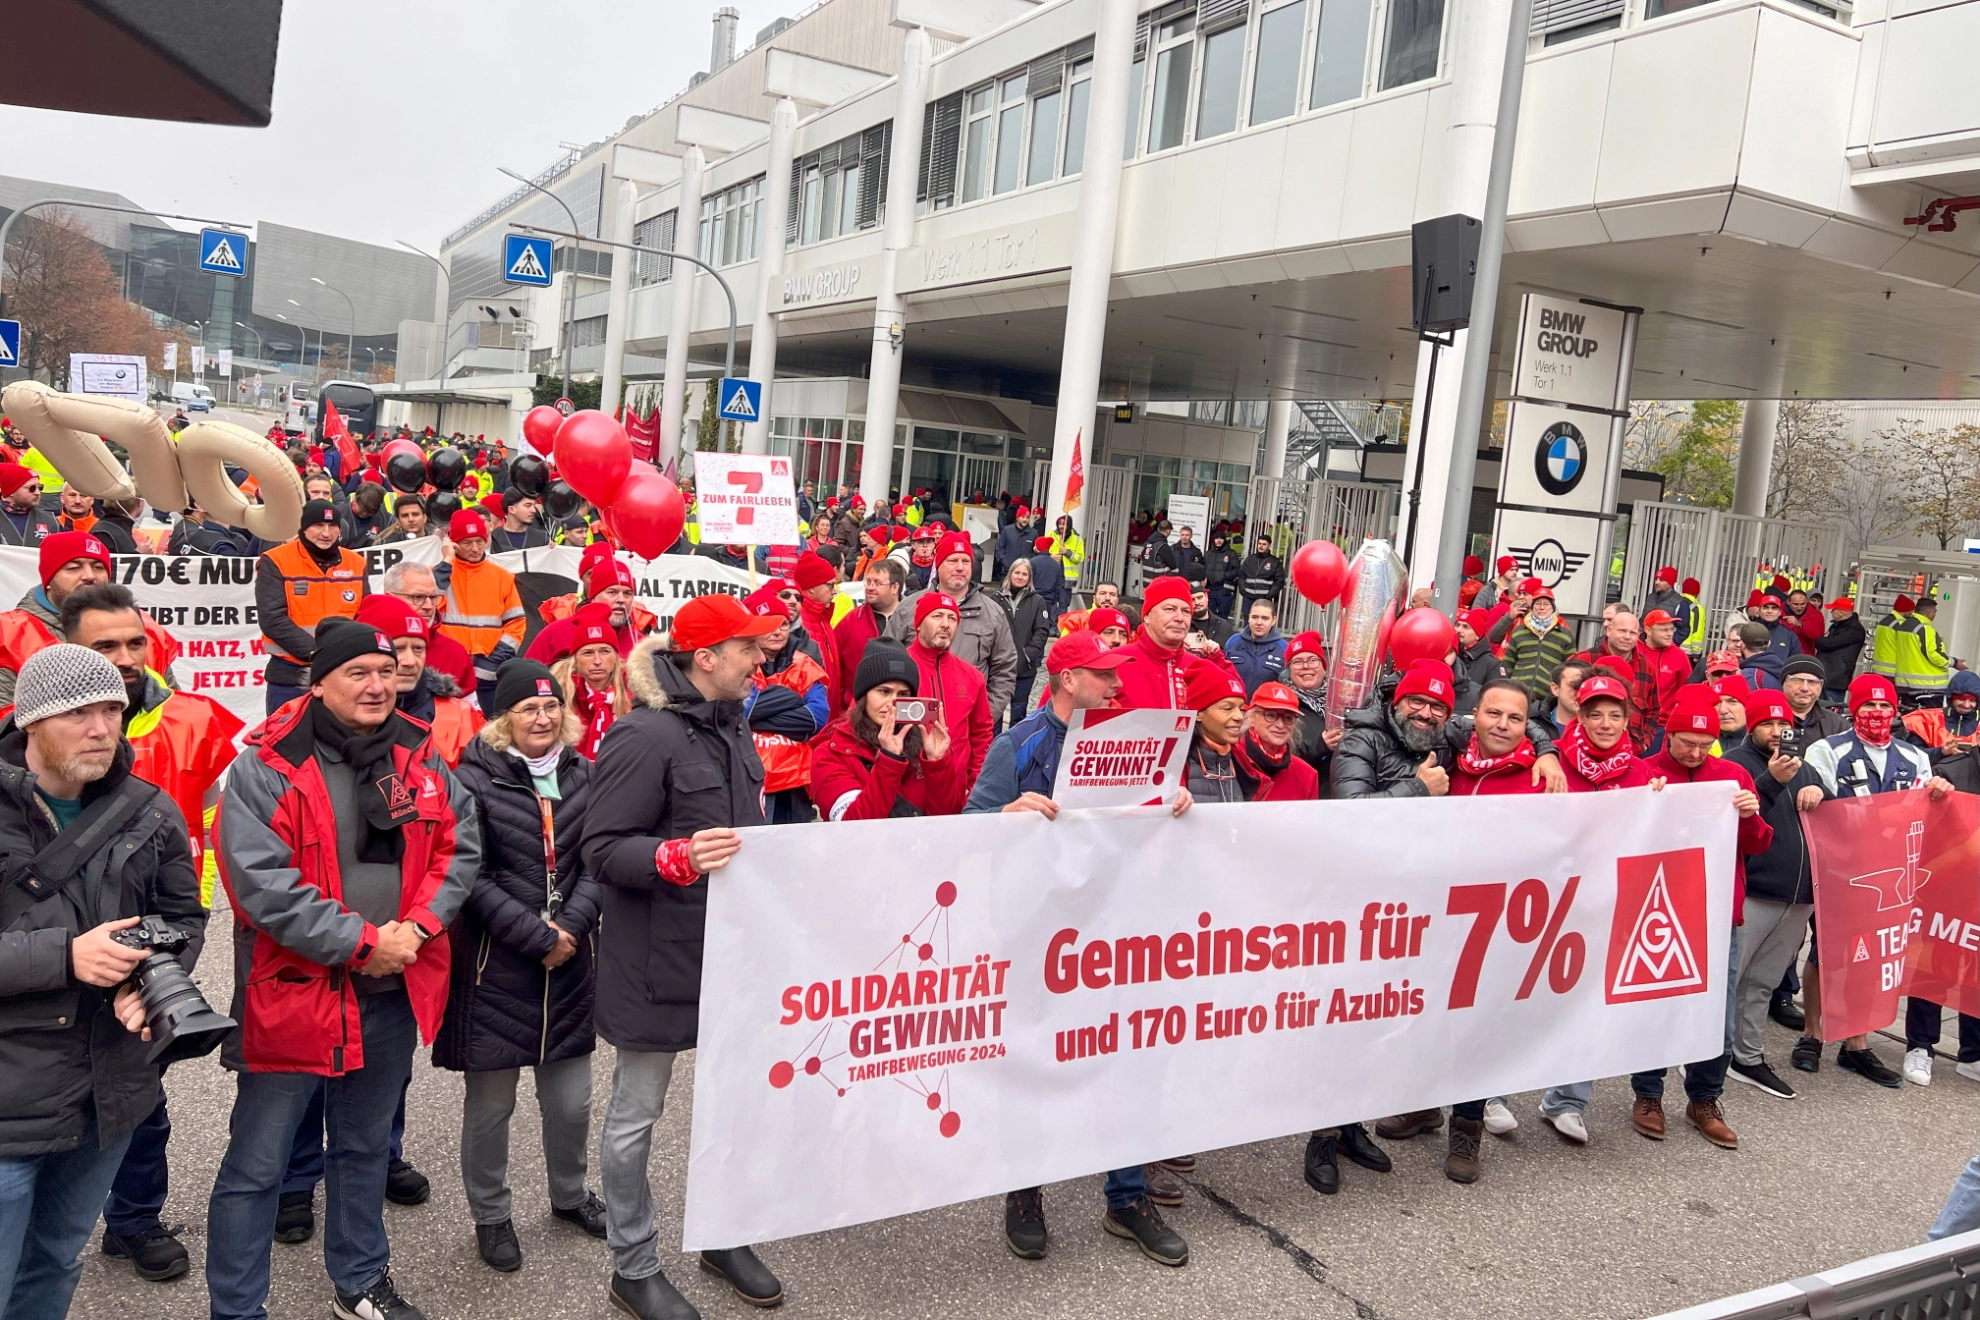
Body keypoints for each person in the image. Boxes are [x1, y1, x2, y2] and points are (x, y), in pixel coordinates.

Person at [208, 616, 480, 1320]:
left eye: (386, 671)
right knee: (257, 1166)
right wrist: (365, 943)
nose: (378, 684)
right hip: (296, 993)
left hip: (391, 991)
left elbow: (459, 846)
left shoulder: (418, 754)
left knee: (362, 1148)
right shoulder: (265, 766)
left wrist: (416, 929)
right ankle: (237, 1308)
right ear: (319, 680)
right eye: (358, 672)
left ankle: (359, 1281)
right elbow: (260, 886)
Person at [580, 595, 787, 1318]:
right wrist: (672, 855)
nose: (762, 661)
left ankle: (721, 1233)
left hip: (731, 958)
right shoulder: (643, 736)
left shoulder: (735, 729)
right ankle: (632, 1265)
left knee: (733, 1107)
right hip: (656, 963)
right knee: (637, 1114)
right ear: (707, 657)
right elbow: (600, 849)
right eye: (748, 650)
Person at [965, 629, 1193, 1267]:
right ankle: (1024, 1192)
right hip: (1035, 932)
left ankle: (1126, 1198)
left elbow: (1147, 815)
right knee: (1032, 1059)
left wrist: (1175, 801)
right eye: (1105, 675)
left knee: (1127, 1057)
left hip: (1113, 930)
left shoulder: (1133, 739)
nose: (1119, 684)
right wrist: (1004, 814)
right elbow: (968, 825)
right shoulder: (1019, 744)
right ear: (1069, 680)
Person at [0, 645, 204, 1317]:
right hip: (9, 1104)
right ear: (30, 721)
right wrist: (64, 957)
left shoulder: (150, 808)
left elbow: (182, 917)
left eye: (112, 709)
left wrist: (147, 981)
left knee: (56, 1262)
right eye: (78, 712)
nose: (100, 728)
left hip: (109, 1096)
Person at [436, 659, 606, 1273]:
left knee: (572, 1101)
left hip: (571, 961)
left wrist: (573, 926)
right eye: (528, 708)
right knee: (491, 1107)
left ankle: (569, 1194)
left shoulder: (585, 773)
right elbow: (468, 876)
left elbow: (597, 860)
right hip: (496, 965)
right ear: (502, 719)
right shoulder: (472, 779)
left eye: (551, 705)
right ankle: (492, 1215)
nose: (543, 716)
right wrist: (535, 935)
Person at [1628, 684, 1773, 1150]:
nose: (1693, 752)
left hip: (1717, 916)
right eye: (1684, 742)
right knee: (1654, 1006)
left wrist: (1750, 816)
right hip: (1659, 911)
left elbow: (1759, 844)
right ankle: (1648, 1094)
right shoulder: (1646, 772)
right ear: (1667, 737)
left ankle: (1705, 1097)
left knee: (1717, 1014)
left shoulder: (1732, 776)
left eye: (1702, 743)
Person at [1796, 673, 1947, 1087]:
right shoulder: (1828, 749)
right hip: (1840, 868)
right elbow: (1812, 795)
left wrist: (1939, 790)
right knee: (1825, 952)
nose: (1877, 713)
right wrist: (1811, 794)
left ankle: (1857, 1043)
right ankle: (1813, 1033)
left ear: (1895, 711)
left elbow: (1924, 809)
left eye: (1884, 706)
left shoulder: (1915, 757)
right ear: (1853, 708)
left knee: (1874, 955)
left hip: (1894, 870)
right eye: (1868, 705)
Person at [1718, 687, 1827, 1103]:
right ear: (1752, 725)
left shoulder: (1805, 767)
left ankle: (1746, 1056)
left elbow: (1833, 814)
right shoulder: (1733, 764)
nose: (1778, 731)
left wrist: (1821, 793)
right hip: (1755, 892)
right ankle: (1706, 1051)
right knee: (1729, 979)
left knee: (1762, 984)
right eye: (1768, 723)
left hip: (1797, 896)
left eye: (1785, 724)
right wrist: (1770, 781)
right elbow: (1731, 820)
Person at [808, 639, 966, 820]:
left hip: (921, 846)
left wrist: (937, 763)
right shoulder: (832, 752)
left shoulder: (922, 743)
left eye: (903, 694)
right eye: (884, 691)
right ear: (864, 695)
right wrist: (889, 762)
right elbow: (852, 828)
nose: (892, 703)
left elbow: (947, 820)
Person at [0, 531, 160, 707]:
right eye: (74, 568)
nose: (89, 576)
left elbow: (170, 705)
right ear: (49, 579)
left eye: (98, 567)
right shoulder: (8, 635)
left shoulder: (148, 628)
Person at [887, 531, 1018, 719]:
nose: (960, 567)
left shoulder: (993, 613)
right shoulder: (909, 608)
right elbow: (886, 658)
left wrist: (985, 714)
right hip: (914, 719)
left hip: (967, 723)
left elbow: (1004, 669)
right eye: (952, 561)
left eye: (965, 562)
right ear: (938, 565)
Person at [256, 501, 369, 715]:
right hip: (290, 677)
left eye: (332, 526)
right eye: (318, 525)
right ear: (304, 527)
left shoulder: (356, 563)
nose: (326, 533)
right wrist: (322, 655)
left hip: (344, 674)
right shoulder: (276, 561)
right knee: (286, 744)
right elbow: (272, 619)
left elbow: (365, 614)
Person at [356, 596, 481, 767]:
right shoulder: (337, 714)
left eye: (418, 649)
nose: (410, 661)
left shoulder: (461, 716)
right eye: (398, 648)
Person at [741, 584, 830, 825]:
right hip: (749, 778)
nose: (778, 631)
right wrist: (793, 699)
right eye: (769, 623)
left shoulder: (804, 663)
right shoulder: (738, 662)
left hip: (796, 781)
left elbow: (816, 718)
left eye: (782, 624)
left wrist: (759, 716)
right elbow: (738, 711)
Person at [900, 591, 996, 786]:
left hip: (956, 789)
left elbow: (981, 735)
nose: (945, 624)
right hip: (906, 791)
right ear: (918, 625)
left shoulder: (972, 677)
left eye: (952, 618)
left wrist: (974, 783)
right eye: (937, 616)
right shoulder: (896, 669)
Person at [439, 509, 527, 711]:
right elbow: (426, 613)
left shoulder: (502, 577)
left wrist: (493, 660)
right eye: (467, 542)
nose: (475, 548)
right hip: (446, 674)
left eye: (480, 541)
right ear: (453, 544)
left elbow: (516, 624)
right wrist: (445, 564)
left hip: (488, 676)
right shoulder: (438, 574)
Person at [1112, 576, 1242, 711]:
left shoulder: (1197, 666)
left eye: (1186, 611)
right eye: (1169, 609)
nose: (1179, 618)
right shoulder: (1116, 662)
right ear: (1147, 616)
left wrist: (1217, 659)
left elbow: (1237, 698)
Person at [544, 603, 632, 760]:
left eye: (605, 651)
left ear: (616, 657)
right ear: (575, 659)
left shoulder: (635, 693)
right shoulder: (556, 699)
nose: (597, 661)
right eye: (588, 653)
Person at [527, 558, 651, 666]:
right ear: (594, 597)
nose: (621, 600)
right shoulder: (557, 633)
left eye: (627, 593)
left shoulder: (639, 644)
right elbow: (526, 679)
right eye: (612, 592)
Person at [383, 563, 477, 701]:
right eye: (418, 597)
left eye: (433, 598)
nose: (428, 606)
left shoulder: (455, 653)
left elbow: (472, 717)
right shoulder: (365, 647)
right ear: (390, 598)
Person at [1574, 610, 1659, 752]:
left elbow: (1653, 710)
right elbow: (1566, 703)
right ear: (1609, 630)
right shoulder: (1582, 660)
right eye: (1622, 631)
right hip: (1584, 752)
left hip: (1631, 754)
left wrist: (1644, 743)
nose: (1627, 637)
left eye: (1632, 633)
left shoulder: (1647, 668)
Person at [832, 557, 908, 712]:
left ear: (895, 587)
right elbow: (835, 669)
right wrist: (842, 711)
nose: (870, 587)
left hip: (903, 714)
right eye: (868, 582)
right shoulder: (850, 621)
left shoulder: (913, 621)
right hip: (857, 715)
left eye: (877, 583)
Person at [987, 559, 1052, 728]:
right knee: (995, 714)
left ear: (1029, 577)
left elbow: (1042, 631)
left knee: (1018, 714)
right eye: (1017, 572)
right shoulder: (995, 599)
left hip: (1024, 668)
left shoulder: (1037, 601)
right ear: (1011, 574)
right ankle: (994, 751)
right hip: (997, 668)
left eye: (1025, 574)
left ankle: (1014, 751)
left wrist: (1027, 654)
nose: (1020, 577)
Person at [1235, 681, 1319, 800]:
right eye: (1270, 715)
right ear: (1251, 718)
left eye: (1288, 718)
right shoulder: (1230, 759)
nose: (1280, 725)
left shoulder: (1306, 775)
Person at [1184, 667, 1252, 802]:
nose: (1239, 717)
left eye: (1241, 709)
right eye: (1227, 708)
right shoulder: (1177, 767)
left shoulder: (1246, 766)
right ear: (1198, 714)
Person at [1279, 631, 1339, 783]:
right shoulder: (1281, 706)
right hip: (1303, 794)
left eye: (1313, 660)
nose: (1306, 667)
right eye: (1297, 662)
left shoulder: (1340, 701)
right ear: (1289, 670)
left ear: (1323, 666)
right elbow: (1278, 754)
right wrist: (1320, 745)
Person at [1500, 587, 1577, 705]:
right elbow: (1508, 664)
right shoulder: (1519, 631)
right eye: (1538, 604)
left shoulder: (1565, 635)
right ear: (1532, 607)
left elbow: (1570, 668)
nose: (1542, 607)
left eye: (1546, 604)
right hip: (1517, 695)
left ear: (1553, 608)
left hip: (1549, 699)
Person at [1896, 596, 1953, 708]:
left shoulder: (1904, 626)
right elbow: (1933, 654)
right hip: (1927, 688)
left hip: (1905, 685)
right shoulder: (1926, 629)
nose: (1935, 615)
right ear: (1929, 613)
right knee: (1930, 722)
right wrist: (1953, 662)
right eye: (1935, 612)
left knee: (1909, 719)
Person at [1640, 608, 1692, 730]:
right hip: (1632, 722)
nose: (1669, 634)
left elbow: (1686, 692)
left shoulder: (1679, 656)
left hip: (1662, 726)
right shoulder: (1632, 650)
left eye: (1671, 629)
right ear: (1648, 630)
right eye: (1664, 630)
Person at [1224, 598, 1287, 696]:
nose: (1259, 622)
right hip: (1235, 707)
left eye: (1265, 618)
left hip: (1265, 709)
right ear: (1249, 618)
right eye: (1254, 617)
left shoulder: (1284, 648)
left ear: (1274, 620)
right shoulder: (1233, 642)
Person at [1451, 609, 1505, 715]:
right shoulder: (1449, 656)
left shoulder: (1492, 665)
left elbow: (1496, 701)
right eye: (1457, 625)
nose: (1459, 630)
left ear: (1477, 635)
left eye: (1466, 627)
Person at [1815, 596, 1865, 706]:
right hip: (1828, 675)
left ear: (1841, 612)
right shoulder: (1839, 626)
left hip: (1836, 679)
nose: (1831, 611)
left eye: (1833, 609)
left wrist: (1820, 639)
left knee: (1833, 711)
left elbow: (1828, 644)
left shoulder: (1854, 630)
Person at [0, 462, 57, 545]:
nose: (38, 493)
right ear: (11, 491)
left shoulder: (51, 520)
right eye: (32, 488)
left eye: (40, 487)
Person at [1238, 532, 1284, 618]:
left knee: (1261, 623)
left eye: (1264, 544)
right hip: (1248, 598)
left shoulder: (1275, 562)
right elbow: (1241, 575)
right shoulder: (1250, 559)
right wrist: (1242, 590)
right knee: (1247, 621)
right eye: (1259, 543)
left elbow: (1279, 581)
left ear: (1269, 546)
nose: (1261, 546)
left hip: (1264, 600)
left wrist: (1269, 595)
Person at [1644, 567, 1690, 648]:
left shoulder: (1680, 603)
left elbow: (1683, 630)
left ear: (1671, 583)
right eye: (1656, 579)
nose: (1657, 582)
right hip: (1644, 646)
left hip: (1664, 649)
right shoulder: (1650, 598)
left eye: (1661, 580)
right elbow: (1643, 621)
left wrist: (1669, 645)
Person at [1204, 529, 1242, 619]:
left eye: (1221, 538)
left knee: (1223, 617)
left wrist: (1224, 576)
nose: (1219, 540)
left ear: (1225, 540)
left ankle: (1222, 633)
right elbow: (1202, 569)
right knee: (1209, 615)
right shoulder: (1208, 554)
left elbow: (1237, 570)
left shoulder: (1231, 554)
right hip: (1210, 589)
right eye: (1217, 538)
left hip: (1224, 589)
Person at [1782, 588, 1825, 655]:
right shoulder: (1778, 612)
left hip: (1803, 656)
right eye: (1795, 604)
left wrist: (1800, 625)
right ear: (1788, 602)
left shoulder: (1816, 615)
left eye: (1802, 604)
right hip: (1781, 654)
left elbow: (1818, 636)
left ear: (1807, 602)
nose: (1799, 608)